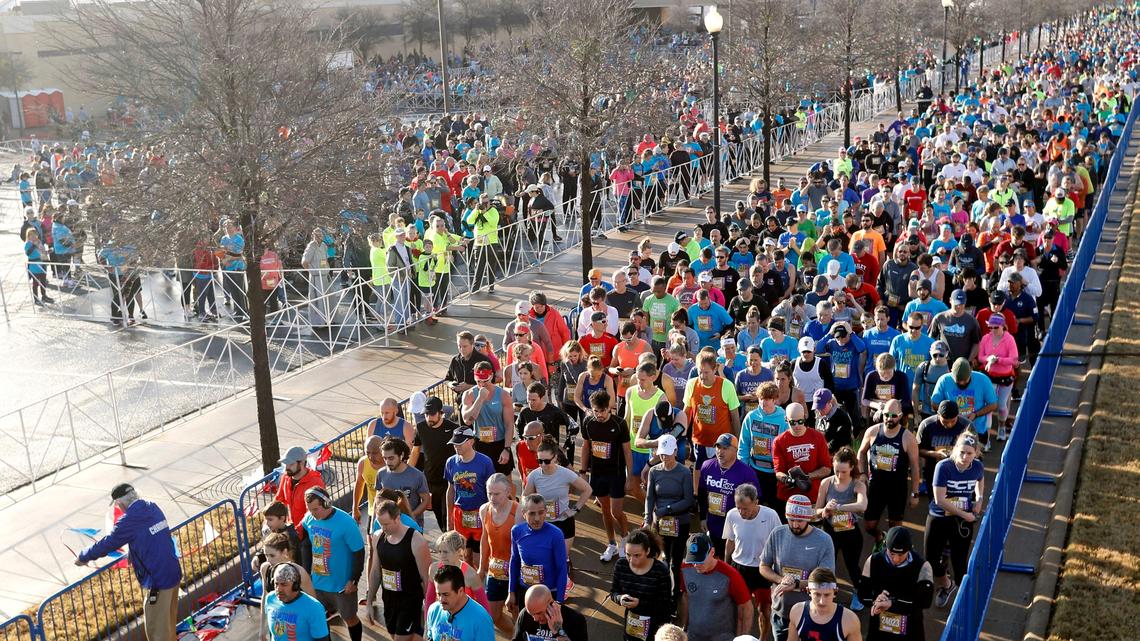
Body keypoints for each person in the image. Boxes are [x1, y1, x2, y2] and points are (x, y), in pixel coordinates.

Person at [76, 484, 182, 641]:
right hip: (173, 572)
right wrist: (133, 552)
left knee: (157, 632)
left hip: (158, 582)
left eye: (118, 505)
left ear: (120, 503)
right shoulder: (152, 507)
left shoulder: (129, 520)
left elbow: (108, 543)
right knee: (168, 627)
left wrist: (83, 556)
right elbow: (149, 535)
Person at [759, 495, 836, 641]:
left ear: (809, 518)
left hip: (811, 614)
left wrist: (797, 584)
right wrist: (780, 580)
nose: (795, 525)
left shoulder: (824, 540)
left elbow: (828, 580)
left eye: (800, 520)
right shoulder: (777, 534)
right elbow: (763, 566)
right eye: (791, 519)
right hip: (781, 613)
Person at [926, 432, 985, 609]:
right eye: (962, 452)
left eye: (969, 453)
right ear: (954, 450)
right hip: (939, 517)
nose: (965, 457)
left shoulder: (977, 467)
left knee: (960, 563)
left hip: (962, 521)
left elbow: (980, 480)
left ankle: (963, 605)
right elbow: (940, 500)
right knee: (931, 561)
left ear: (976, 453)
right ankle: (946, 585)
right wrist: (964, 514)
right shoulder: (943, 467)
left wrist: (980, 498)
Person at [523, 438, 593, 587]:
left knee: (561, 557)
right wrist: (533, 511)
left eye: (547, 461)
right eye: (539, 461)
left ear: (555, 458)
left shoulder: (565, 474)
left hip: (563, 522)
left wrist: (575, 509)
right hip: (543, 524)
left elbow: (587, 489)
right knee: (546, 558)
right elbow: (525, 496)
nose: (543, 465)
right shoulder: (535, 475)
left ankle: (562, 587)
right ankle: (552, 588)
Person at [299, 487, 366, 641]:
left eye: (315, 509)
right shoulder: (309, 519)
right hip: (317, 583)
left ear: (327, 503)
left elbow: (358, 552)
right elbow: (306, 544)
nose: (313, 513)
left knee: (349, 618)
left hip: (341, 586)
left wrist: (354, 579)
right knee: (320, 620)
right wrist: (306, 573)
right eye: (309, 509)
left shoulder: (346, 523)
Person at [856, 399, 920, 548]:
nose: (889, 419)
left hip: (897, 488)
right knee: (869, 525)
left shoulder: (908, 438)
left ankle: (889, 550)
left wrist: (915, 493)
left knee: (895, 526)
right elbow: (861, 452)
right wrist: (863, 474)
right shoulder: (872, 432)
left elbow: (915, 467)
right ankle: (880, 536)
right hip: (876, 485)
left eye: (893, 415)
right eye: (886, 415)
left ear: (900, 416)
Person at [365, 500, 431, 641]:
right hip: (389, 600)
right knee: (396, 635)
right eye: (380, 523)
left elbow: (427, 578)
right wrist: (369, 601)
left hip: (410, 600)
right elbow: (376, 572)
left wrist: (430, 611)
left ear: (397, 518)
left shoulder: (416, 540)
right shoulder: (377, 536)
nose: (383, 528)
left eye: (386, 524)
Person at [580, 389, 633, 562]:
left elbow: (627, 451)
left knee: (616, 511)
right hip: (598, 473)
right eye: (596, 411)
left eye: (602, 411)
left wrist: (630, 476)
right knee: (604, 510)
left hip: (616, 474)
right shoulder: (588, 422)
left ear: (609, 408)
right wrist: (582, 472)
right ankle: (611, 544)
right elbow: (586, 447)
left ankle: (626, 539)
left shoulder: (619, 424)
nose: (599, 415)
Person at [723, 483, 781, 641]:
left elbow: (779, 543)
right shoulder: (732, 515)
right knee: (740, 609)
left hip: (764, 569)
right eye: (738, 507)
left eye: (745, 508)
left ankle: (762, 638)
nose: (741, 512)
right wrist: (726, 566)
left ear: (756, 502)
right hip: (739, 568)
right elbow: (730, 542)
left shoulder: (771, 515)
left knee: (765, 610)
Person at [812, 447, 867, 611]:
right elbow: (815, 512)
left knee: (852, 566)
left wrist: (840, 507)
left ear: (852, 467)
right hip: (829, 533)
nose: (840, 475)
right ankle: (827, 595)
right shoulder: (826, 483)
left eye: (844, 471)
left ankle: (858, 592)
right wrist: (825, 510)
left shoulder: (857, 484)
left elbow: (862, 505)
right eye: (836, 471)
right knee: (828, 567)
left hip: (851, 533)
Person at [858, 526, 935, 641]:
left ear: (909, 549)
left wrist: (892, 604)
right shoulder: (873, 561)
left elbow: (925, 602)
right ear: (886, 546)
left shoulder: (922, 567)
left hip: (910, 628)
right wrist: (876, 600)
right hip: (879, 628)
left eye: (901, 554)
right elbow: (862, 595)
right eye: (892, 553)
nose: (896, 559)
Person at [677, 532, 754, 641]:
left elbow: (746, 608)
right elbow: (686, 596)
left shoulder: (729, 575)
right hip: (693, 636)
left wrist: (742, 638)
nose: (696, 565)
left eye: (700, 560)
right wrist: (684, 627)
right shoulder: (685, 569)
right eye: (693, 560)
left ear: (712, 552)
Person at [643, 434, 694, 595]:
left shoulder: (684, 472)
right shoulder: (654, 471)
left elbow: (688, 501)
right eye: (661, 453)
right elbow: (650, 497)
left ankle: (676, 591)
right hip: (661, 523)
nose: (664, 457)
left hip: (680, 521)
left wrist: (668, 509)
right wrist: (647, 519)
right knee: (664, 558)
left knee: (676, 560)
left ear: (675, 451)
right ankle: (663, 590)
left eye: (667, 453)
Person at [698, 433, 758, 560]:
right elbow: (702, 493)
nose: (720, 451)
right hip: (713, 523)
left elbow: (756, 501)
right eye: (718, 447)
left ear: (735, 450)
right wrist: (702, 517)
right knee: (715, 560)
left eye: (725, 448)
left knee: (732, 561)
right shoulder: (707, 466)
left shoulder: (747, 473)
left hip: (736, 527)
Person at [445, 425, 498, 565]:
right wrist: (449, 517)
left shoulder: (485, 462)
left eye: (459, 442)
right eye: (454, 443)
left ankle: (480, 585)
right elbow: (450, 489)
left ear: (471, 441)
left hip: (480, 514)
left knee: (478, 557)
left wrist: (492, 515)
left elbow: (492, 489)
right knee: (463, 557)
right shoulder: (451, 462)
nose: (456, 446)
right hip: (460, 514)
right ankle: (467, 585)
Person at [610, 528, 675, 641]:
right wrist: (620, 598)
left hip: (655, 628)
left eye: (637, 555)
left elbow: (666, 606)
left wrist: (640, 604)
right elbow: (613, 592)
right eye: (628, 554)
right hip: (631, 627)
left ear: (648, 551)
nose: (631, 560)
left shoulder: (660, 571)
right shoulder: (621, 565)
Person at [479, 473, 523, 632]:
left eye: (496, 494)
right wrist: (482, 568)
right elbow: (485, 539)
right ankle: (515, 635)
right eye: (489, 493)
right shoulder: (484, 510)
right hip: (495, 571)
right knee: (493, 616)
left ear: (508, 491)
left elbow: (524, 546)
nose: (492, 497)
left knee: (517, 613)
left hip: (515, 572)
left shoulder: (519, 512)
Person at [510, 494, 570, 606]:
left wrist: (559, 601)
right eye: (532, 513)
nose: (537, 518)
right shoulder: (517, 531)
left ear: (546, 511)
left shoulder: (556, 534)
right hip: (525, 591)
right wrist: (511, 592)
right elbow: (514, 561)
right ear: (523, 514)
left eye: (541, 512)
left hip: (549, 594)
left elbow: (562, 568)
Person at [772, 403, 831, 514]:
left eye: (800, 421)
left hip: (813, 496)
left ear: (805, 417)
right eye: (792, 422)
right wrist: (788, 480)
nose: (797, 426)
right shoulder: (779, 441)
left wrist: (807, 477)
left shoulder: (817, 437)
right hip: (788, 497)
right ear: (786, 420)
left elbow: (827, 468)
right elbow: (778, 472)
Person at [411, 395, 459, 531]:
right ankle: (446, 537)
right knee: (438, 514)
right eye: (426, 414)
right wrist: (407, 470)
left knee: (447, 515)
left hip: (449, 481)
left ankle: (449, 542)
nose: (429, 418)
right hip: (431, 481)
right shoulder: (420, 428)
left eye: (432, 414)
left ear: (441, 413)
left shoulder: (453, 428)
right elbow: (415, 452)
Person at [462, 361, 516, 475]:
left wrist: (506, 449)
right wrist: (480, 399)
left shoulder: (503, 395)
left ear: (491, 376)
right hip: (480, 443)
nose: (482, 384)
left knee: (505, 480)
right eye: (478, 381)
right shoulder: (469, 394)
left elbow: (509, 424)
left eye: (485, 380)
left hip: (499, 443)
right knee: (481, 479)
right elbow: (468, 420)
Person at [785, 567, 861, 641]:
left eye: (827, 595)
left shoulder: (850, 620)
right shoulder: (797, 611)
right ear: (808, 591)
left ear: (835, 592)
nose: (822, 601)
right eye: (817, 594)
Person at [915, 401, 973, 495]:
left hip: (959, 472)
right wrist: (934, 454)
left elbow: (975, 451)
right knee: (935, 502)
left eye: (953, 421)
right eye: (945, 421)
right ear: (938, 415)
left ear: (958, 415)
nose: (949, 424)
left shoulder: (967, 426)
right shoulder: (927, 425)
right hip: (933, 470)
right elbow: (917, 450)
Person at [425, 565, 496, 641]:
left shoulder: (481, 619)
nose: (441, 599)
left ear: (461, 591)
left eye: (446, 594)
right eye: (439, 594)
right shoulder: (434, 610)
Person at [263, 563, 331, 641]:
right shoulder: (270, 599)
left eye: (284, 584)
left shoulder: (314, 607)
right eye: (276, 584)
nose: (279, 589)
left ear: (295, 585)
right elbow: (273, 633)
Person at [378, 437, 431, 529]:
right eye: (385, 458)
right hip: (388, 526)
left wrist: (411, 516)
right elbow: (378, 499)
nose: (387, 462)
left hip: (412, 526)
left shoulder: (417, 475)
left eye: (391, 458)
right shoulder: (381, 473)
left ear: (401, 455)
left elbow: (426, 501)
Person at [274, 446, 326, 534]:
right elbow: (279, 500)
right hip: (293, 529)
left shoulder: (315, 482)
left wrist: (297, 531)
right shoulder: (286, 477)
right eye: (286, 464)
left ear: (302, 463)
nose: (286, 468)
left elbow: (313, 514)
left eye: (291, 464)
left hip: (310, 533)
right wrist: (270, 518)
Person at [513, 584, 589, 641]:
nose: (535, 619)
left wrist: (558, 631)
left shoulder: (575, 620)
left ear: (551, 604)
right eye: (531, 613)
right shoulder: (524, 615)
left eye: (539, 613)